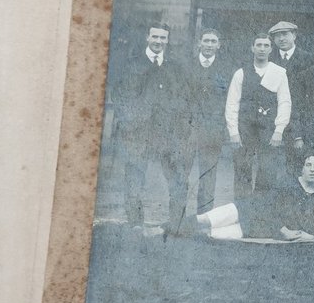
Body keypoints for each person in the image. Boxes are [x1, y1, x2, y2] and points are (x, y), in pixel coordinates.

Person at [115, 23, 188, 236]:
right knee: (135, 180)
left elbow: (181, 98)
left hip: (167, 134)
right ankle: (135, 224)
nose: (158, 41)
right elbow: (119, 96)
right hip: (138, 134)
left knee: (177, 178)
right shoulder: (132, 64)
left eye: (163, 38)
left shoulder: (173, 68)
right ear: (148, 37)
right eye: (155, 37)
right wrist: (129, 122)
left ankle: (176, 224)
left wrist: (178, 126)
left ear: (168, 40)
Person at [197, 154, 314, 243]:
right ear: (302, 169)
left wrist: (312, 237)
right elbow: (268, 207)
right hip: (244, 211)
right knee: (202, 220)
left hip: (256, 228)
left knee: (205, 234)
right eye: (308, 165)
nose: (312, 170)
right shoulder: (288, 183)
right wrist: (283, 230)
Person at [224, 33, 292, 199]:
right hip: (245, 128)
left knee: (267, 172)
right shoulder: (241, 73)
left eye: (266, 45)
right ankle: (242, 213)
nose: (262, 49)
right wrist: (233, 132)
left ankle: (261, 219)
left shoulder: (279, 73)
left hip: (268, 128)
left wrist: (279, 130)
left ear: (270, 49)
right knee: (242, 170)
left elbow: (285, 102)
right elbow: (232, 104)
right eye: (259, 45)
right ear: (252, 48)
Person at [182, 27, 231, 216]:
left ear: (218, 45)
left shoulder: (226, 69)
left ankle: (203, 220)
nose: (209, 45)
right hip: (187, 129)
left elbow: (227, 100)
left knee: (208, 176)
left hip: (212, 131)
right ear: (199, 43)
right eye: (206, 41)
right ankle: (178, 221)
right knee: (182, 173)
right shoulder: (187, 66)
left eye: (213, 42)